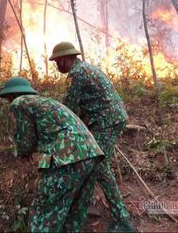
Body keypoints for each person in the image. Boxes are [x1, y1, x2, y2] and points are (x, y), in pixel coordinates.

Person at [0, 76, 105, 232]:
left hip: (68, 156)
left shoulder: (20, 102)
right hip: (92, 154)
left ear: (11, 96)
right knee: (73, 214)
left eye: (8, 99)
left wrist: (22, 153)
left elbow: (26, 141)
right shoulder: (47, 103)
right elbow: (48, 136)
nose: (9, 102)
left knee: (44, 214)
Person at [50, 42, 134, 232]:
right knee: (95, 166)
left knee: (100, 166)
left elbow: (69, 109)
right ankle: (83, 212)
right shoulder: (87, 68)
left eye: (57, 61)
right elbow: (84, 106)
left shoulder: (77, 74)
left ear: (65, 59)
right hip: (110, 119)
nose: (56, 66)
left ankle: (124, 221)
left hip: (106, 122)